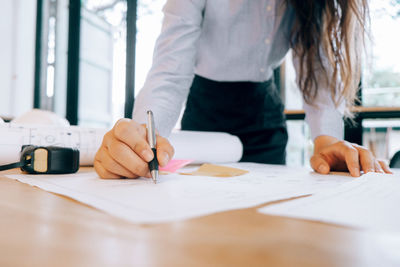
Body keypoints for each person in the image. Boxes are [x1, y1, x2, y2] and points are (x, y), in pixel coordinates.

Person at [94, 0, 392, 179]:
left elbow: (316, 72)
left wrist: (327, 140)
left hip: (263, 112)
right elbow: (170, 70)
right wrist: (142, 139)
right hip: (205, 107)